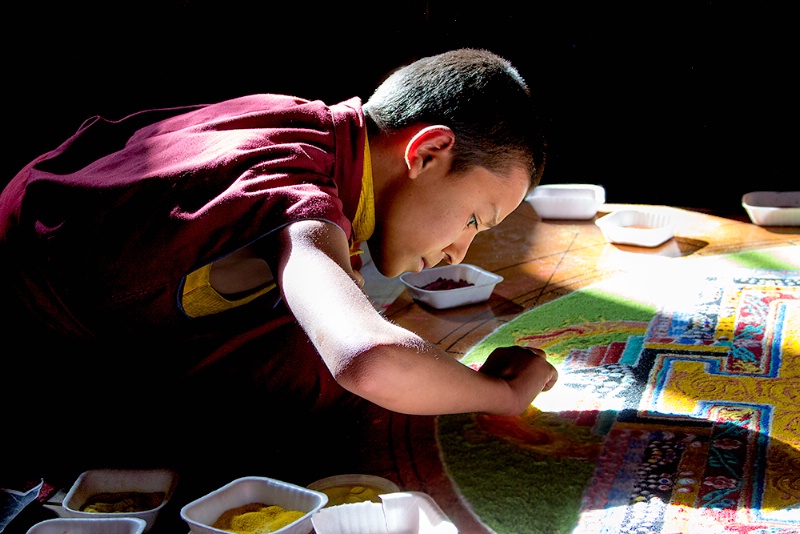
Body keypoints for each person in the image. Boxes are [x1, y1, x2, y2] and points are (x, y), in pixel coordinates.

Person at [0, 49, 557, 476]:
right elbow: (369, 359)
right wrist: (500, 395)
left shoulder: (305, 125)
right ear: (427, 153)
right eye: (473, 221)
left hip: (42, 247)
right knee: (315, 379)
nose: (459, 252)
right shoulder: (299, 196)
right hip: (28, 358)